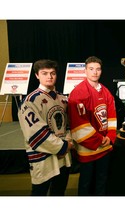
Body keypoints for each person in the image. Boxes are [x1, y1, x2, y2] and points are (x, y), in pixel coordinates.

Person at [18, 59, 73, 196]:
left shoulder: (63, 99)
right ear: (37, 75)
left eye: (52, 73)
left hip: (63, 156)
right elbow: (35, 134)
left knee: (59, 193)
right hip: (43, 158)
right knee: (39, 195)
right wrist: (63, 146)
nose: (49, 76)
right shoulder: (30, 101)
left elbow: (69, 126)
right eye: (44, 73)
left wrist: (68, 142)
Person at [68, 56, 117, 195]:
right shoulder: (78, 92)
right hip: (88, 147)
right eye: (91, 69)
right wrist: (100, 140)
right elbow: (79, 124)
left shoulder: (106, 92)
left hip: (105, 144)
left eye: (98, 69)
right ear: (85, 71)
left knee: (102, 181)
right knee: (86, 183)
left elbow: (112, 116)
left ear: (101, 71)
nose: (95, 72)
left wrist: (110, 136)